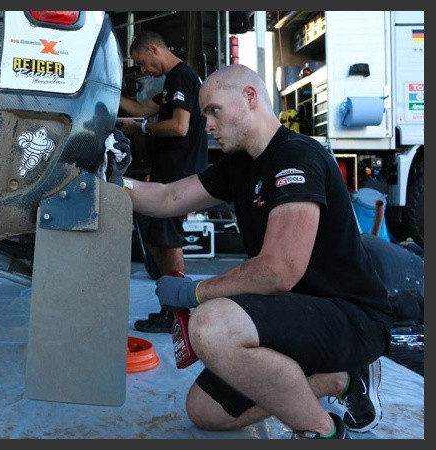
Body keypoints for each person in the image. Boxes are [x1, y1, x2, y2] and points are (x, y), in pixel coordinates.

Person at [112, 64, 394, 439]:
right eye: (204, 115)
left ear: (249, 97)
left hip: (350, 319)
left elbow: (279, 270)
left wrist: (195, 291)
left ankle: (320, 430)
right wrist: (110, 179)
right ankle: (338, 379)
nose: (207, 125)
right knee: (206, 411)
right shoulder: (242, 166)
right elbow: (168, 197)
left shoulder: (296, 157)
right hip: (293, 315)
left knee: (212, 325)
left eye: (214, 110)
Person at [116, 30, 208, 333]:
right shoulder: (173, 81)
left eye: (143, 64)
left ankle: (177, 313)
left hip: (179, 172)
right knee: (158, 238)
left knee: (167, 239)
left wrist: (143, 128)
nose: (143, 71)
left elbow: (180, 127)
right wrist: (109, 94)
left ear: (155, 50)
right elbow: (143, 109)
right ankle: (171, 307)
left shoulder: (182, 76)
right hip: (170, 171)